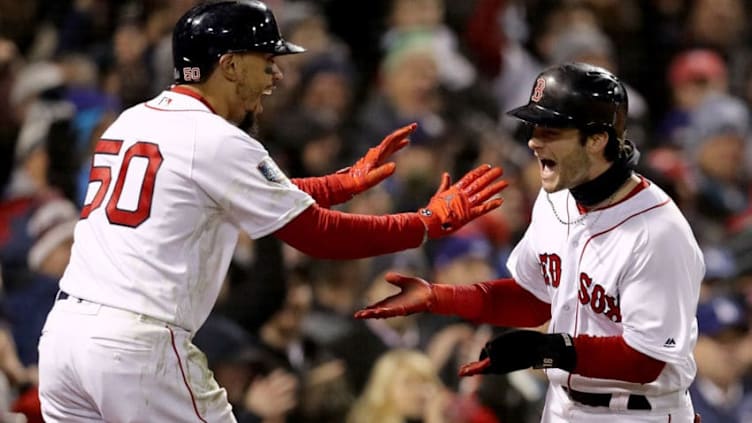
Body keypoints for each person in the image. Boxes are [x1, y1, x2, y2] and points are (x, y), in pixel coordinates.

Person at [35, 1, 508, 422]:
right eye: (266, 60)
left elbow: (222, 191)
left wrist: (336, 183)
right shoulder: (217, 138)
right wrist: (426, 223)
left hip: (65, 339)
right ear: (230, 65)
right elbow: (319, 235)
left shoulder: (133, 119)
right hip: (134, 347)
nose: (277, 75)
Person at [356, 63, 706, 422]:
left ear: (598, 139)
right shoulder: (555, 198)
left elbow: (647, 359)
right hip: (562, 408)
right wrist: (438, 297)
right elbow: (533, 297)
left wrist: (546, 350)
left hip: (640, 414)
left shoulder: (658, 232)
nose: (533, 141)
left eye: (551, 130)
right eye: (534, 127)